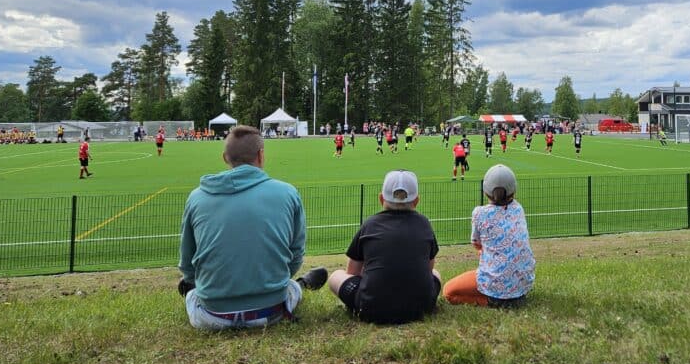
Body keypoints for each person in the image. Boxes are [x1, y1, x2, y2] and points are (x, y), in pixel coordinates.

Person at [177, 126, 327, 330]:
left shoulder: (196, 197)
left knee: (192, 291)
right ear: (261, 155)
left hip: (211, 315)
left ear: (225, 157)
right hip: (271, 310)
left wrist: (193, 282)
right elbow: (295, 255)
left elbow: (187, 263)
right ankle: (301, 284)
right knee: (291, 287)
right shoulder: (288, 193)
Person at [327, 170, 441, 324]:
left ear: (381, 198)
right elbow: (429, 269)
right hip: (422, 307)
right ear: (416, 201)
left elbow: (352, 272)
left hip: (371, 309)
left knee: (336, 276)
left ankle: (362, 302)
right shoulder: (424, 224)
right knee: (436, 273)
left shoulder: (370, 224)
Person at [443, 164, 535, 308]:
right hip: (523, 284)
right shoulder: (518, 209)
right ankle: (511, 295)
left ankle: (495, 300)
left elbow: (476, 243)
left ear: (486, 190)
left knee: (449, 291)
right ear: (513, 189)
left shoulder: (479, 213)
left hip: (495, 284)